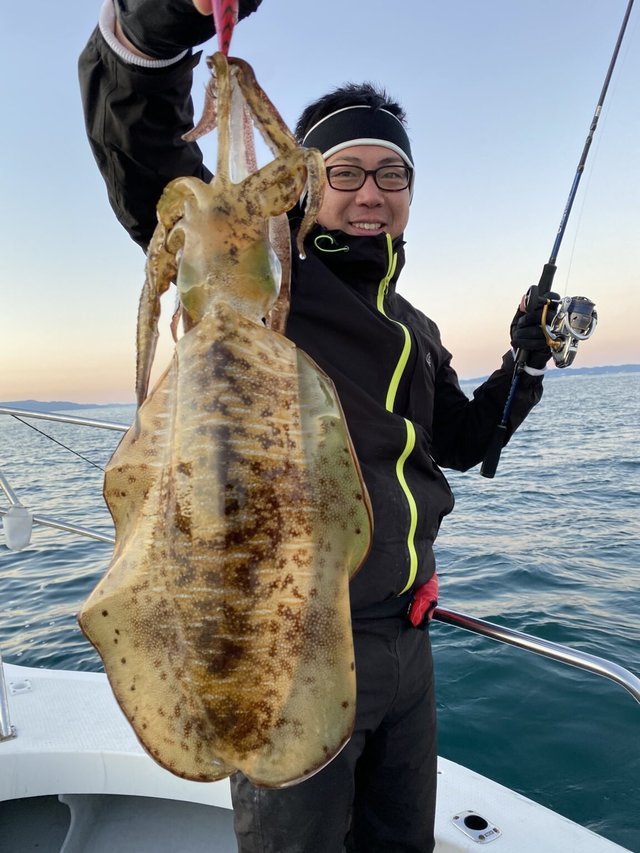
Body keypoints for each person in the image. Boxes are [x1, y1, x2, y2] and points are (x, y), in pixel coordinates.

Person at [79, 3, 556, 850]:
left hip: (410, 645)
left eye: (392, 175)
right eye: (345, 172)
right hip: (287, 638)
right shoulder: (262, 280)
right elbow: (146, 154)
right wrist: (159, 24)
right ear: (303, 183)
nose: (371, 193)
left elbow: (462, 442)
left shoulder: (413, 326)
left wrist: (525, 365)